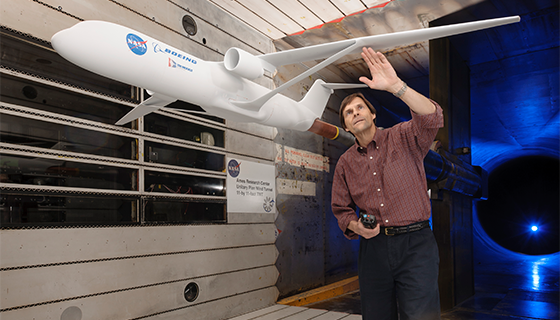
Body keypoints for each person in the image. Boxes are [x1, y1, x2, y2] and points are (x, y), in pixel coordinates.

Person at [331, 47, 444, 320]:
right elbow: (341, 209)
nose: (355, 113)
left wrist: (396, 87)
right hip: (374, 249)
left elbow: (432, 117)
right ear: (346, 126)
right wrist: (357, 226)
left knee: (421, 316)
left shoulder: (404, 136)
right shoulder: (345, 163)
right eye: (348, 112)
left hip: (416, 244)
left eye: (360, 108)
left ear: (372, 115)